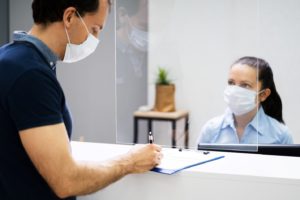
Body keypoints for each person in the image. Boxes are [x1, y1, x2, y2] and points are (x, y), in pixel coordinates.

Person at [0, 0, 162, 199]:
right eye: (94, 29)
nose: (95, 38)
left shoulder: (10, 58)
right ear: (69, 17)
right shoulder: (30, 75)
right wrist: (130, 161)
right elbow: (66, 181)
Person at [197, 56, 293, 145]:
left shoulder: (281, 136)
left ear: (263, 95)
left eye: (245, 85)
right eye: (231, 83)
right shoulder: (211, 130)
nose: (235, 90)